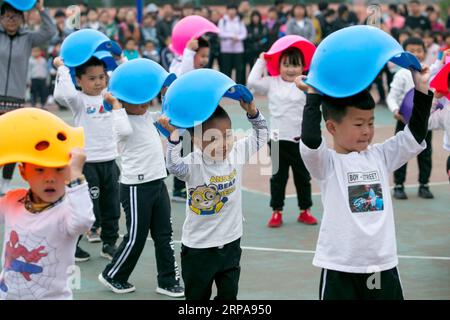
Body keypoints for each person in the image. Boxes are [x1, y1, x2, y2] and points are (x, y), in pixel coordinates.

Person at [296, 59, 433, 299]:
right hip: (340, 266)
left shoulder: (381, 155)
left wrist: (421, 90)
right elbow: (310, 140)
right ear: (332, 127)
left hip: (381, 264)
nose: (367, 130)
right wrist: (313, 95)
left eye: (370, 122)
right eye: (358, 124)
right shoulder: (326, 163)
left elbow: (415, 135)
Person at [158, 99, 268, 300]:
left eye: (227, 136)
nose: (223, 144)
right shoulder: (193, 162)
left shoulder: (236, 152)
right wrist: (174, 140)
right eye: (213, 139)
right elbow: (174, 167)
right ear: (196, 141)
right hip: (199, 248)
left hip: (231, 242)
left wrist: (253, 112)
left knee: (229, 297)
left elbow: (261, 136)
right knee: (197, 298)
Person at [98, 60, 183, 297]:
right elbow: (124, 130)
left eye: (147, 98)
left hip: (157, 182)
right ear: (123, 101)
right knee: (136, 236)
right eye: (138, 100)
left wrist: (166, 115)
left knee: (164, 235)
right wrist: (114, 104)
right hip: (136, 187)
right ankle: (112, 274)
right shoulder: (119, 120)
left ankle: (167, 280)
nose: (145, 104)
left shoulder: (146, 115)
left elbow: (170, 121)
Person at [0, 109, 94, 299]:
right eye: (40, 170)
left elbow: (84, 221)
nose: (50, 178)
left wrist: (76, 174)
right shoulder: (12, 200)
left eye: (59, 170)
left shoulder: (66, 211)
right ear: (24, 173)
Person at [53, 56, 120, 261]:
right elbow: (63, 93)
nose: (98, 82)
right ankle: (73, 245)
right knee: (85, 205)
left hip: (110, 161)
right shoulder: (79, 101)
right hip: (87, 164)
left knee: (112, 205)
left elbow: (125, 82)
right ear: (79, 81)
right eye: (92, 78)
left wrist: (123, 61)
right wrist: (63, 68)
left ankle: (109, 243)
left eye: (102, 77)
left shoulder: (110, 97)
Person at [248, 47, 318, 227]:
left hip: (299, 140)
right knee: (278, 178)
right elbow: (252, 81)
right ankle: (276, 211)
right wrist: (261, 60)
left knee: (303, 178)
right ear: (279, 66)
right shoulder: (272, 83)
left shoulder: (307, 84)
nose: (290, 69)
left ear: (303, 67)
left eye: (295, 65)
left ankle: (305, 211)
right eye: (286, 65)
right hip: (278, 140)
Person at [0, 0, 56, 196]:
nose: (11, 19)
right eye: (7, 15)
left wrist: (41, 9)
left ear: (22, 18)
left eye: (15, 16)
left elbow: (50, 32)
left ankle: (5, 183)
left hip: (15, 99)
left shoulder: (28, 38)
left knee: (11, 143)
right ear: (1, 17)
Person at [386, 37, 434, 200]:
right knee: (401, 153)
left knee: (426, 154)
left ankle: (424, 185)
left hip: (424, 121)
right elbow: (391, 97)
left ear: (425, 52)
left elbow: (432, 95)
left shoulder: (429, 72)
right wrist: (395, 111)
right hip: (404, 121)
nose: (416, 54)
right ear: (404, 54)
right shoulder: (401, 74)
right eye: (411, 51)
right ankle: (399, 185)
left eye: (419, 50)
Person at [169, 37, 211, 202]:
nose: (205, 60)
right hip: (181, 120)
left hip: (195, 118)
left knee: (194, 151)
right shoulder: (180, 64)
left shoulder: (198, 71)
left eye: (207, 56)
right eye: (202, 55)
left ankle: (192, 183)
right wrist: (188, 51)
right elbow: (182, 78)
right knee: (181, 152)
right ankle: (178, 188)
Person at [218, 4, 247, 85]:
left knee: (239, 70)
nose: (232, 11)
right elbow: (220, 33)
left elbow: (244, 33)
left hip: (238, 50)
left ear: (236, 11)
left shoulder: (239, 20)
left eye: (233, 9)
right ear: (227, 11)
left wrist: (238, 38)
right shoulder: (223, 21)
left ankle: (239, 87)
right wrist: (231, 36)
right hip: (226, 50)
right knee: (226, 70)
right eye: (230, 9)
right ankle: (227, 86)